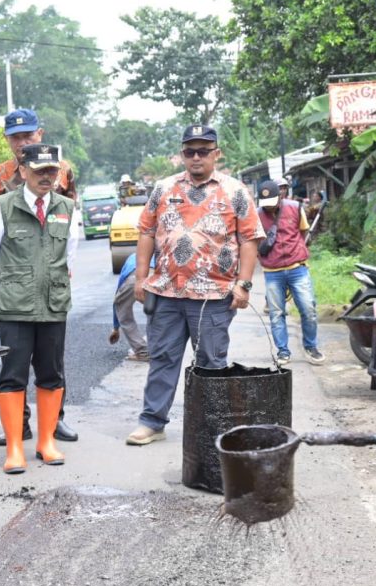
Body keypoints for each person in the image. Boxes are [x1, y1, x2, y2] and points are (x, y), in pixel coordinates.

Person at [127, 124, 264, 446]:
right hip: (166, 292)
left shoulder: (235, 191)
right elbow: (146, 232)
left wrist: (243, 284)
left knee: (211, 365)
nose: (197, 157)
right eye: (190, 152)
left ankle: (210, 427)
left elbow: (249, 239)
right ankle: (152, 422)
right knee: (162, 358)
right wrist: (141, 277)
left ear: (216, 153)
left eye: (204, 151)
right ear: (181, 155)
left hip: (214, 295)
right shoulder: (162, 188)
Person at [0, 144, 78, 473]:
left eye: (52, 171)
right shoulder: (2, 207)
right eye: (39, 171)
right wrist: (14, 289)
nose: (47, 177)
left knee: (52, 373)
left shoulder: (67, 207)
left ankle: (46, 442)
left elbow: (70, 256)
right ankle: (14, 449)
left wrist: (53, 284)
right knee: (13, 375)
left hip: (53, 306)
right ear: (23, 171)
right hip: (14, 309)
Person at [257, 179, 324, 366]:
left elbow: (303, 232)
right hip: (272, 271)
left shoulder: (295, 207)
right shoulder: (257, 215)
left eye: (272, 203)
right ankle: (283, 351)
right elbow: (253, 240)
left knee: (308, 309)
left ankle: (311, 347)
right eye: (265, 205)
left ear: (280, 196)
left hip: (297, 268)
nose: (269, 209)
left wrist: (295, 251)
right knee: (276, 314)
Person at [108, 252, 148, 361]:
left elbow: (118, 301)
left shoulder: (132, 258)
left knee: (123, 310)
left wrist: (116, 328)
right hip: (156, 277)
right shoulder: (158, 252)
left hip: (134, 277)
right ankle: (162, 349)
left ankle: (142, 351)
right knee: (158, 313)